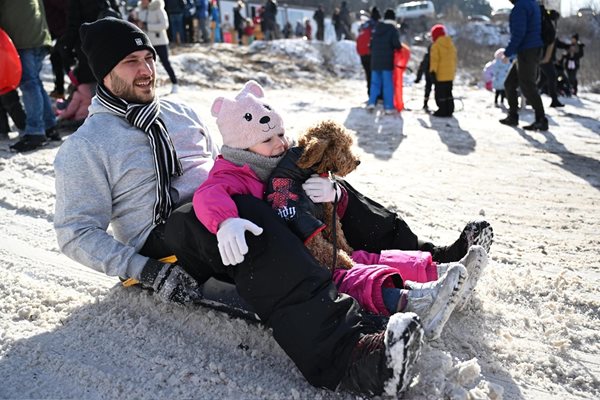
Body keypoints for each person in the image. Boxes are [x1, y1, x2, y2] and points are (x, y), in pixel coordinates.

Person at [53, 17, 495, 398]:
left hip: (222, 201)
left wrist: (293, 179)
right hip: (167, 238)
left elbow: (223, 164)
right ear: (104, 72)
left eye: (148, 57)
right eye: (131, 62)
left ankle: (430, 263)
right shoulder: (87, 147)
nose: (147, 69)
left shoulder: (179, 112)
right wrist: (145, 270)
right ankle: (352, 358)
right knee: (250, 216)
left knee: (306, 178)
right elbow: (76, 233)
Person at [194, 80, 490, 339]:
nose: (281, 143)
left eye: (282, 134)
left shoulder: (292, 160)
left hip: (322, 238)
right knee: (346, 273)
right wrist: (225, 221)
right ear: (243, 147)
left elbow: (324, 179)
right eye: (268, 140)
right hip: (295, 257)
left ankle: (439, 272)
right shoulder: (232, 173)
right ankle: (408, 300)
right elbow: (207, 196)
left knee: (362, 258)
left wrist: (332, 190)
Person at [1, 0, 58, 152]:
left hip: (22, 39)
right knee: (35, 82)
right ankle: (49, 126)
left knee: (29, 84)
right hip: (39, 35)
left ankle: (35, 132)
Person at [499, 0, 548, 131]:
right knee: (510, 83)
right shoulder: (532, 3)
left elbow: (519, 33)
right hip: (531, 49)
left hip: (527, 50)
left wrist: (508, 52)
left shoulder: (521, 7)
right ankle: (513, 116)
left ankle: (541, 119)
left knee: (527, 85)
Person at [134, 0, 179, 94]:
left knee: (165, 63)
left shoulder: (158, 8)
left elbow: (164, 25)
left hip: (160, 42)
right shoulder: (140, 10)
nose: (142, 1)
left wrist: (147, 26)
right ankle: (151, 86)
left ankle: (175, 83)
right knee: (148, 66)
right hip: (147, 43)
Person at [366, 9, 401, 115]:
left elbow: (371, 45)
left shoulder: (377, 28)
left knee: (375, 83)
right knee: (387, 84)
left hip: (375, 60)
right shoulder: (392, 29)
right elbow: (397, 44)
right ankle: (388, 107)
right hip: (387, 61)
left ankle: (371, 102)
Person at [429, 24, 456, 118]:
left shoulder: (436, 46)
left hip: (440, 75)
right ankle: (450, 110)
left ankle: (442, 110)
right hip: (450, 75)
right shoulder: (451, 44)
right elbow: (454, 59)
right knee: (449, 92)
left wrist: (432, 71)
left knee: (440, 94)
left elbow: (434, 60)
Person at [355, 7, 380, 100]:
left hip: (362, 53)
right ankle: (375, 94)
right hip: (371, 53)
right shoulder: (376, 25)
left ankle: (370, 93)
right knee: (375, 74)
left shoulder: (364, 24)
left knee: (368, 74)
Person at [414, 43, 433, 111]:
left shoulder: (427, 56)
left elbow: (422, 67)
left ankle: (425, 104)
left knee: (428, 89)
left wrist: (418, 78)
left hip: (429, 75)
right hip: (436, 75)